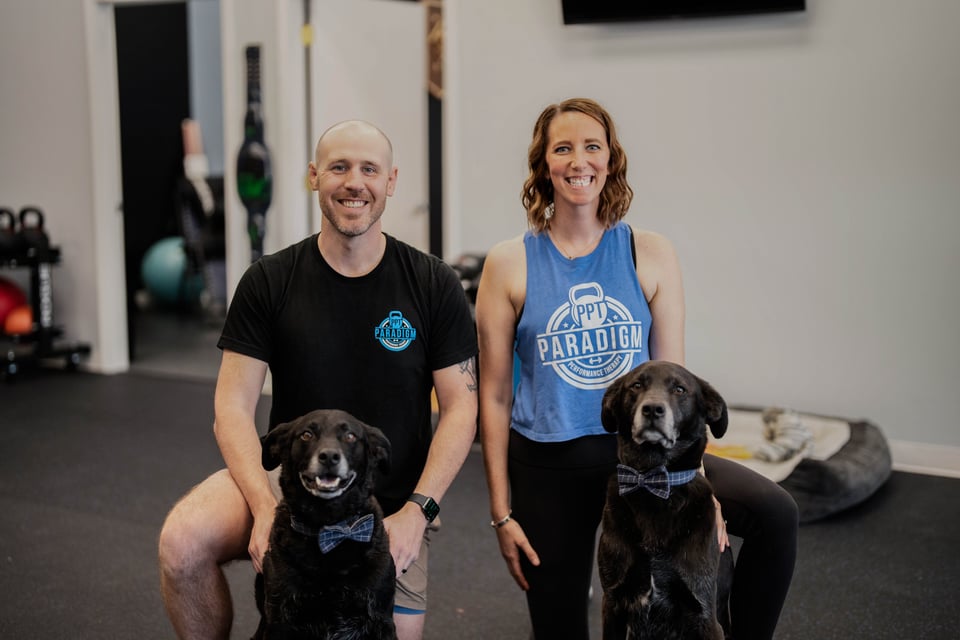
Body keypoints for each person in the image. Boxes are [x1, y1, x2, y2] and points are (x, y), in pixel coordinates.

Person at [475, 98, 798, 640]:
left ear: (610, 160)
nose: (579, 161)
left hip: (647, 453)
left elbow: (678, 388)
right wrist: (502, 513)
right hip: (550, 462)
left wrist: (700, 486)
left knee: (775, 514)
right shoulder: (509, 262)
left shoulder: (649, 251)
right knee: (558, 629)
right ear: (543, 164)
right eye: (563, 148)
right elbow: (495, 395)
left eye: (592, 147)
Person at [158, 120, 479, 640]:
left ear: (391, 181)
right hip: (285, 485)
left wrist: (419, 512)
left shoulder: (432, 283)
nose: (355, 182)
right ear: (314, 176)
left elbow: (462, 409)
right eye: (339, 167)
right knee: (182, 542)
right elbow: (232, 410)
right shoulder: (269, 280)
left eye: (369, 169)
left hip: (391, 501)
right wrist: (265, 510)